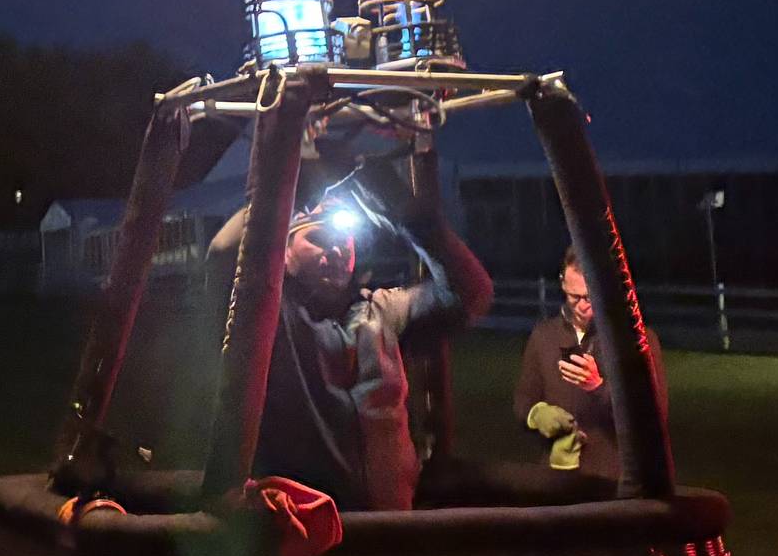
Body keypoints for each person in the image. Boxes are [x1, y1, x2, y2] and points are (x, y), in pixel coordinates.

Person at [209, 174, 493, 511]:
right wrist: (283, 193)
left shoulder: (382, 311)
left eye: (346, 238)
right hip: (304, 523)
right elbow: (225, 253)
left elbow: (470, 292)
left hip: (389, 517)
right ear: (283, 255)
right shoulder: (271, 316)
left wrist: (408, 216)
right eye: (318, 238)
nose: (338, 248)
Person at [515, 247, 663, 482]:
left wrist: (598, 387)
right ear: (563, 283)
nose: (585, 305)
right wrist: (538, 415)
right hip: (555, 476)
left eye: (591, 296)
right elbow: (523, 402)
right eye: (576, 297)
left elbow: (653, 416)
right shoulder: (544, 336)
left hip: (614, 480)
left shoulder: (635, 340)